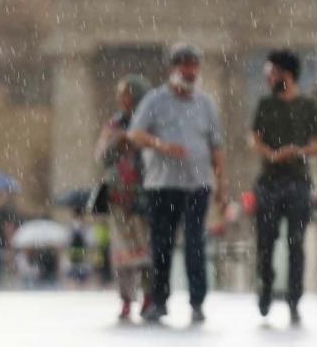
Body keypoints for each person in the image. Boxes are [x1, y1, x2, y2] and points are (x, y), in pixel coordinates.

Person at [128, 43, 227, 325]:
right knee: (162, 244)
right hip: (162, 185)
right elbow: (134, 135)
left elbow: (216, 147)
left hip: (197, 185)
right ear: (172, 69)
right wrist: (160, 144)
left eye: (193, 66)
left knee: (196, 244)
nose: (189, 71)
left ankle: (197, 302)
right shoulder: (155, 101)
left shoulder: (206, 104)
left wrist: (222, 183)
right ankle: (159, 301)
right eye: (184, 66)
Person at [249, 49, 317, 325]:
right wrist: (271, 154)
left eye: (273, 72)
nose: (269, 77)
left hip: (298, 183)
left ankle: (295, 299)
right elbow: (254, 139)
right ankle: (266, 289)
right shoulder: (265, 105)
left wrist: (299, 151)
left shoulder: (308, 106)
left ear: (287, 74)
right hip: (269, 183)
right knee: (265, 243)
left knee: (297, 242)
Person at [94, 75, 153, 320]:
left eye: (125, 94)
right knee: (121, 254)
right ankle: (126, 299)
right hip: (117, 195)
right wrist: (118, 142)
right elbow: (100, 156)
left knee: (147, 252)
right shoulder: (114, 124)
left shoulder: (150, 122)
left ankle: (149, 297)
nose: (121, 99)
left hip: (144, 195)